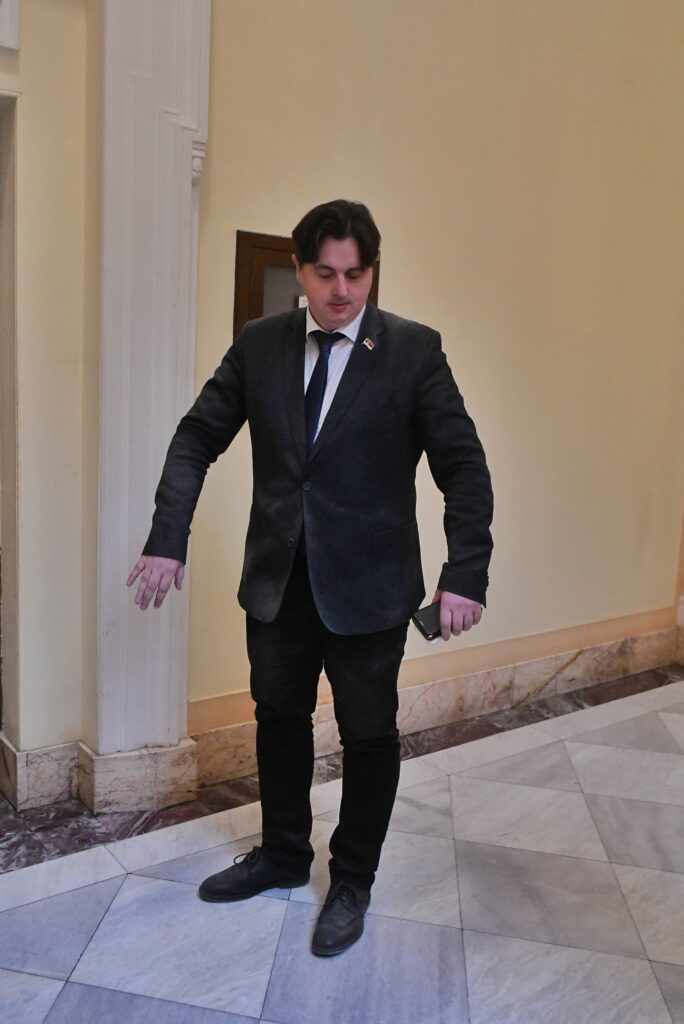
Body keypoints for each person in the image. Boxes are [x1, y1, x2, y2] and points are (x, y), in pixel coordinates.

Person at [127, 199, 493, 957]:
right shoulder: (259, 345)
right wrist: (167, 537)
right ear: (299, 270)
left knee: (368, 735)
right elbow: (196, 437)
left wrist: (465, 572)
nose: (341, 291)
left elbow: (463, 467)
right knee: (278, 719)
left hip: (370, 590)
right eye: (325, 273)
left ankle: (352, 879)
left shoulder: (413, 351)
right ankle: (284, 854)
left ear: (372, 272)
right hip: (278, 583)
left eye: (355, 274)